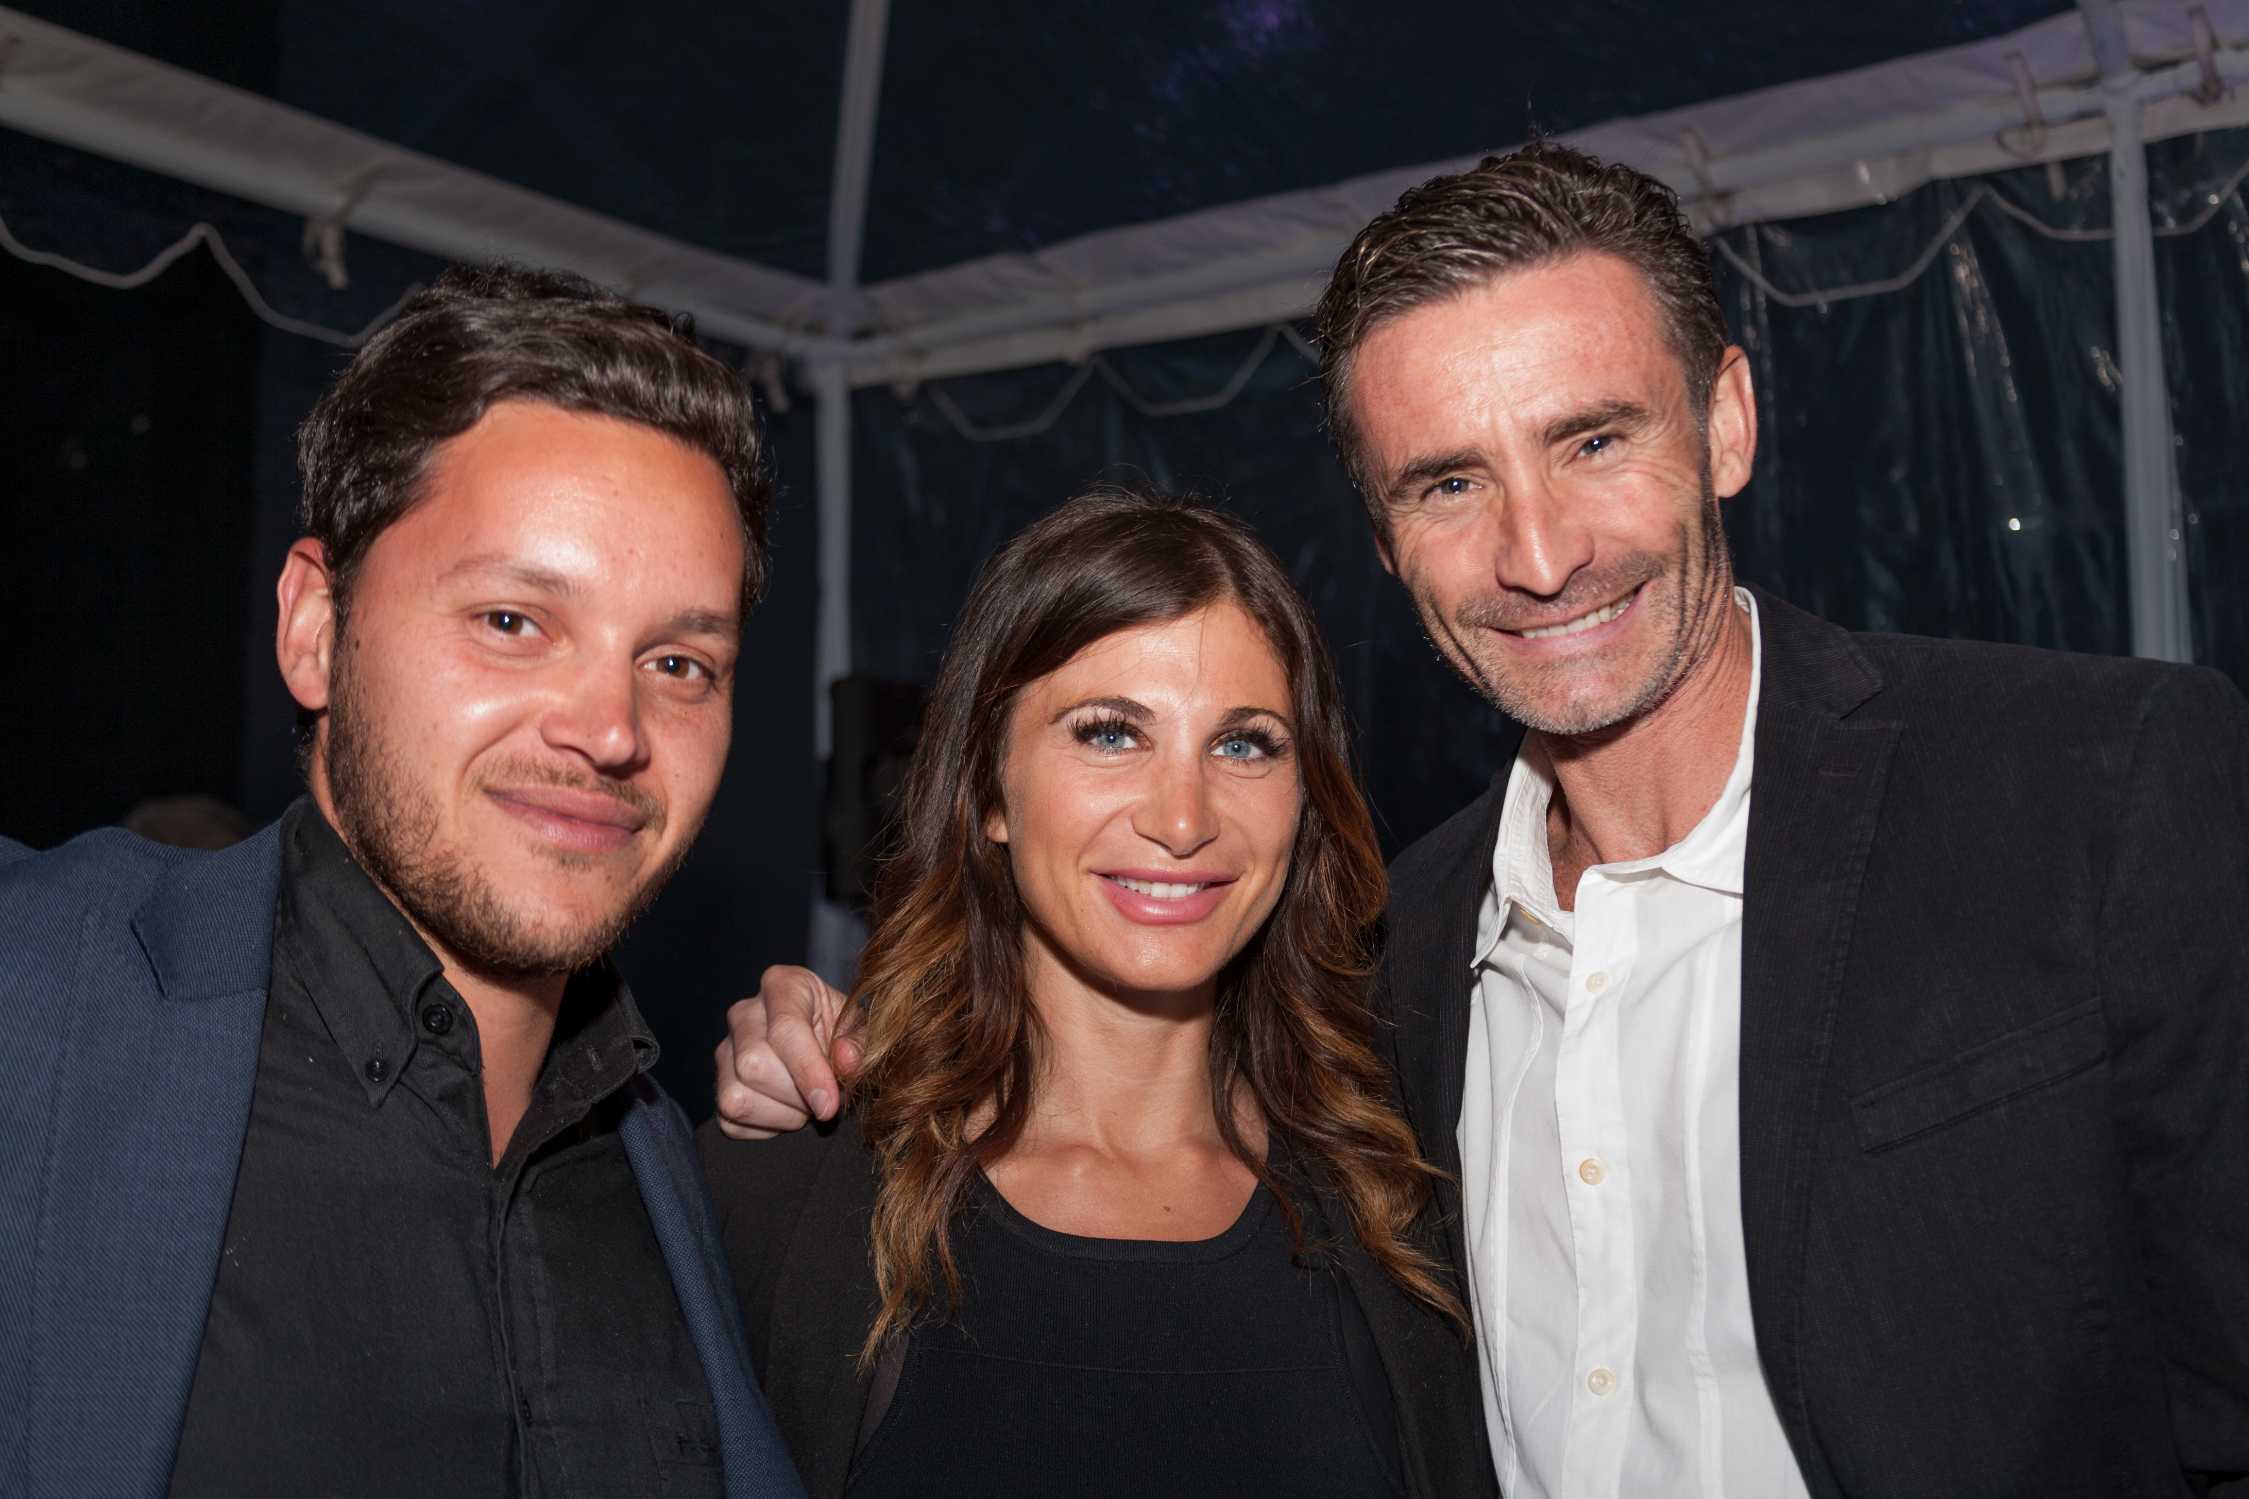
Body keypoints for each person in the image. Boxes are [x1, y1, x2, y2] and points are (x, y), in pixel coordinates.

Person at [717, 142, 2249, 1497]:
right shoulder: (1389, 975)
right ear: (1387, 542)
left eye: (1592, 439)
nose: (1537, 552)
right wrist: (811, 1068)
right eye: (1448, 482)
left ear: (1724, 421)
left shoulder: (2093, 791)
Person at [1, 266, 804, 1499]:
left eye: (678, 662)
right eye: (512, 620)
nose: (610, 728)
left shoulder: (678, 1171)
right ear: (316, 628)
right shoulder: (44, 993)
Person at [698, 489, 1495, 1499]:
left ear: (1304, 800)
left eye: (1243, 743)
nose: (1182, 818)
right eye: (1110, 733)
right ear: (988, 789)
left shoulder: (1411, 1193)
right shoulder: (784, 1190)